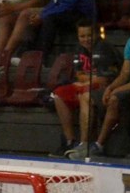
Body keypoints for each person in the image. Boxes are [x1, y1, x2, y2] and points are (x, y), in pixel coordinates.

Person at [67, 0, 130, 160]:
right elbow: (124, 73)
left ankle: (99, 145)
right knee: (87, 96)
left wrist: (116, 90)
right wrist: (110, 88)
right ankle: (84, 144)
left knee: (115, 98)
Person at [49, 20, 122, 157]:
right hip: (87, 85)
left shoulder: (105, 49)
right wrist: (87, 80)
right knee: (58, 94)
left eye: (89, 35)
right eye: (82, 36)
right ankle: (70, 141)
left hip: (105, 89)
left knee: (85, 95)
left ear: (97, 34)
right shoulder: (79, 48)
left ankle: (84, 144)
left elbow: (104, 80)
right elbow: (78, 74)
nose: (86, 39)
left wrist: (85, 81)